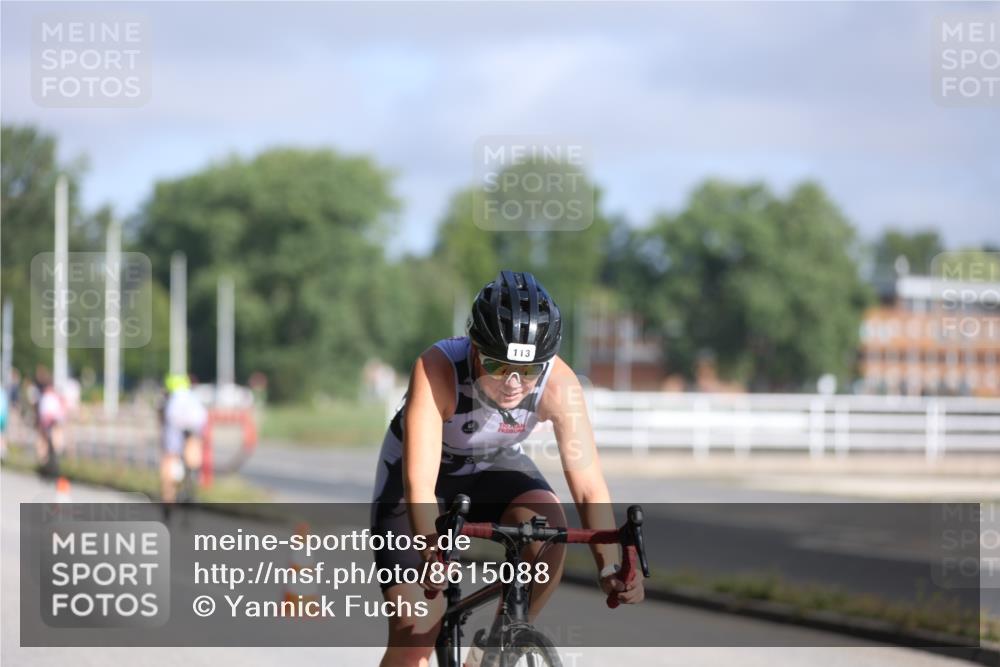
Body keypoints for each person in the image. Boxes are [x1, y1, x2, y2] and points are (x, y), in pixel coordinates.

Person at [372, 270, 644, 667]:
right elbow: (419, 485)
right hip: (420, 481)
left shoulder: (560, 385)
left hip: (493, 466)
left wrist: (612, 566)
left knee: (548, 528)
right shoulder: (437, 368)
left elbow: (588, 487)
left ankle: (493, 653)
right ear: (474, 349)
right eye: (498, 366)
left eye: (530, 370)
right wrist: (433, 549)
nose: (514, 383)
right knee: (415, 634)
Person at [160, 373, 207, 504]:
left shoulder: (171, 399)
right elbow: (202, 418)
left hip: (175, 425)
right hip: (195, 424)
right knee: (193, 449)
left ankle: (168, 497)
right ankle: (193, 476)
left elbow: (166, 420)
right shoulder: (193, 397)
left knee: (169, 458)